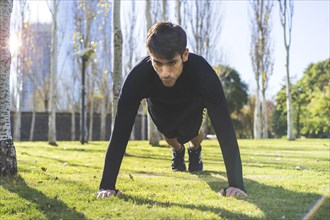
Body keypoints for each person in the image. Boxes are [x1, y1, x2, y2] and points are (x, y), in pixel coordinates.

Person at [97, 22, 247, 199]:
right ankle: (178, 151)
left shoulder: (203, 74)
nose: (165, 72)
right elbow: (121, 130)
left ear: (185, 54)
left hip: (192, 110)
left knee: (194, 135)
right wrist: (107, 185)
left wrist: (236, 185)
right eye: (157, 63)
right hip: (161, 111)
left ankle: (194, 149)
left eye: (172, 63)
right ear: (150, 56)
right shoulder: (138, 76)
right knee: (170, 137)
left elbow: (224, 129)